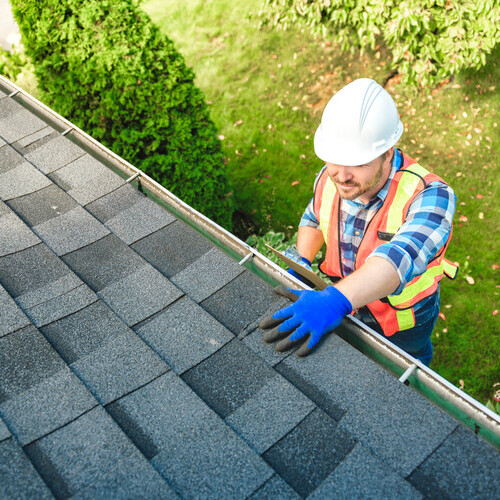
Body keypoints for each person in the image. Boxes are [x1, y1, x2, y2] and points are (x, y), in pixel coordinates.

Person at [260, 78, 458, 365]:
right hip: (344, 303)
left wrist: (335, 300)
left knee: (405, 374)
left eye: (358, 162)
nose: (341, 174)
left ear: (388, 152)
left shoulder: (432, 196)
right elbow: (314, 218)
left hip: (401, 323)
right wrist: (302, 260)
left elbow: (397, 259)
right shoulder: (333, 177)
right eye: (334, 159)